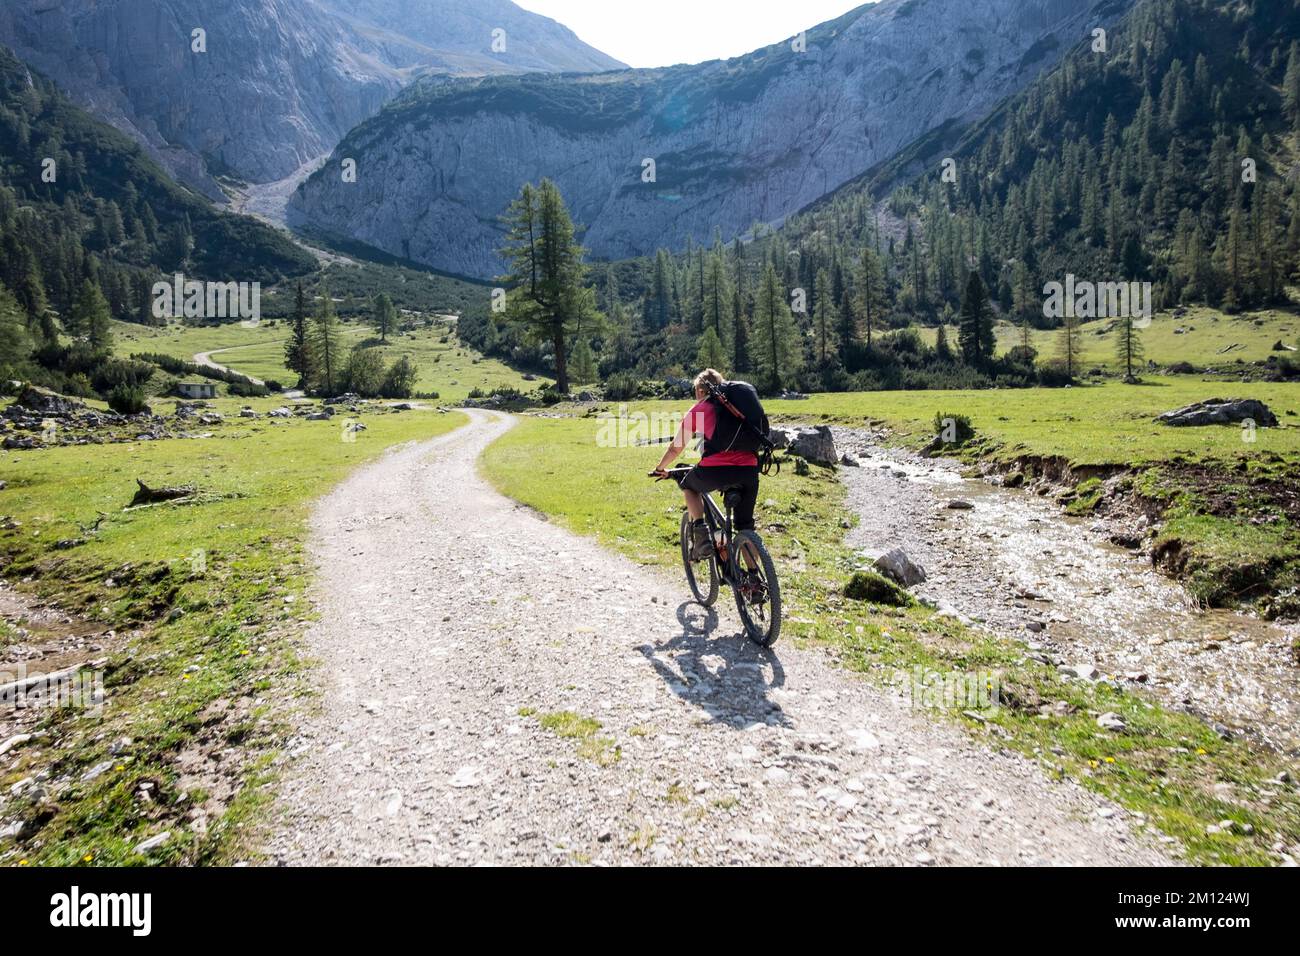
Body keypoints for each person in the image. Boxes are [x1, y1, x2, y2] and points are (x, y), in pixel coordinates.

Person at [652, 368, 761, 559]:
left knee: (688, 485)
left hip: (715, 470)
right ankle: (753, 582)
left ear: (701, 391)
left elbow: (676, 448)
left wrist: (660, 468)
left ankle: (702, 537)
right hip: (749, 469)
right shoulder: (739, 406)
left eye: (696, 391)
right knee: (745, 526)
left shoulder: (700, 410)